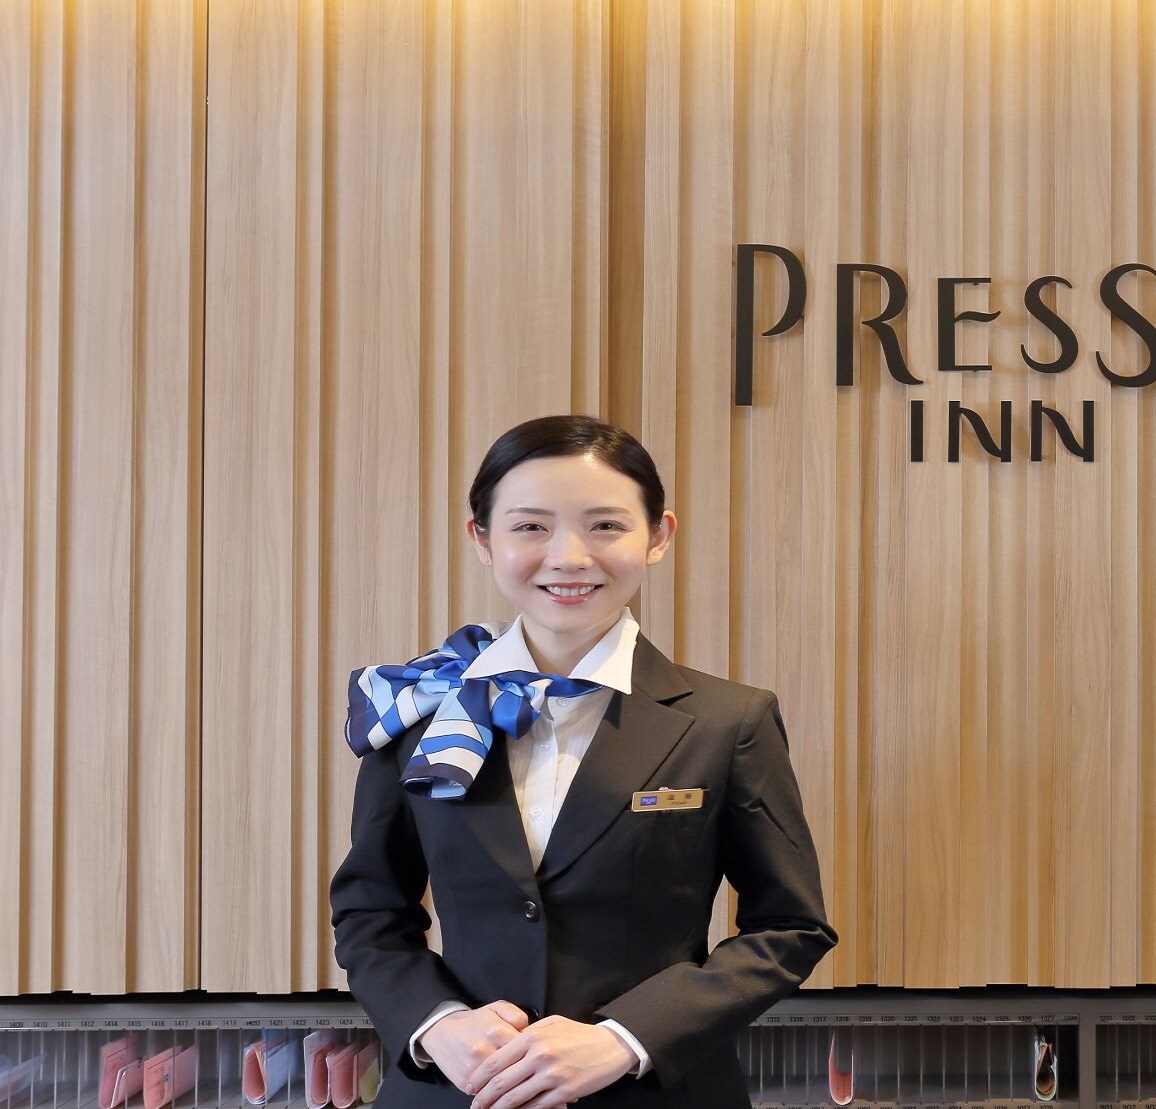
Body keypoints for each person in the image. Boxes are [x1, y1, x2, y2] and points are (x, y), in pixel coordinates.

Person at [331, 415, 835, 1108]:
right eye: (531, 526)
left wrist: (626, 1038)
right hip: (459, 1087)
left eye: (605, 526)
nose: (569, 557)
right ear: (482, 538)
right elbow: (370, 911)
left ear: (657, 536)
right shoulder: (419, 706)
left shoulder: (728, 721)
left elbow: (790, 926)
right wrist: (437, 1023)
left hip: (656, 1092)